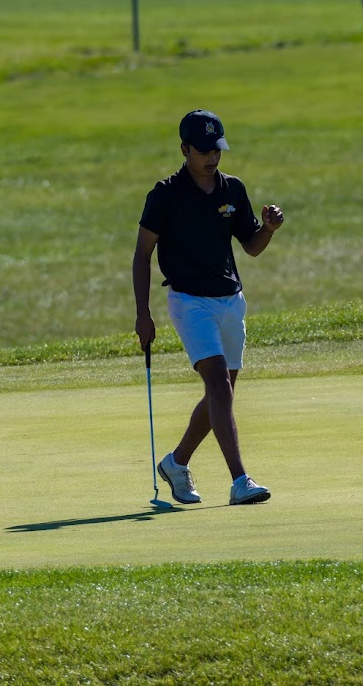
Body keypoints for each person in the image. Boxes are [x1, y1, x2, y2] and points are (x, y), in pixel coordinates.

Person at [132, 109, 284, 505]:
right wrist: (143, 313)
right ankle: (240, 480)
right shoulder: (165, 195)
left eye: (217, 149)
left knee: (224, 391)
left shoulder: (233, 189)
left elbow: (250, 247)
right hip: (189, 301)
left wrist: (267, 229)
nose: (212, 157)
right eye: (203, 150)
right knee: (218, 384)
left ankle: (176, 463)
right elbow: (142, 254)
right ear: (184, 149)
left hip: (231, 300)